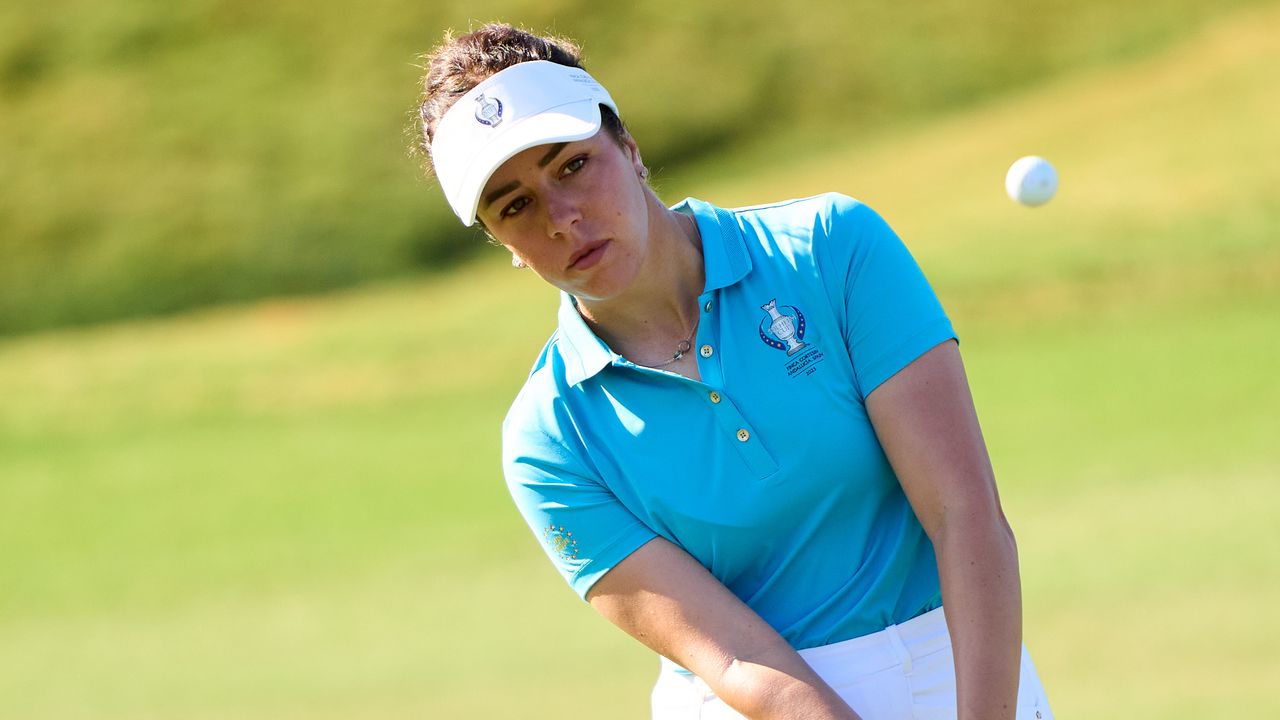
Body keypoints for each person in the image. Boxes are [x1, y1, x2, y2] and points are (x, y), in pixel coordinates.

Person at [415, 23, 1054, 720]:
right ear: (502, 243)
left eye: (572, 165)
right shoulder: (548, 442)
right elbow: (739, 663)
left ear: (629, 149)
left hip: (964, 673)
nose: (562, 218)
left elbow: (966, 515)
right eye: (516, 205)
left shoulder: (831, 249)